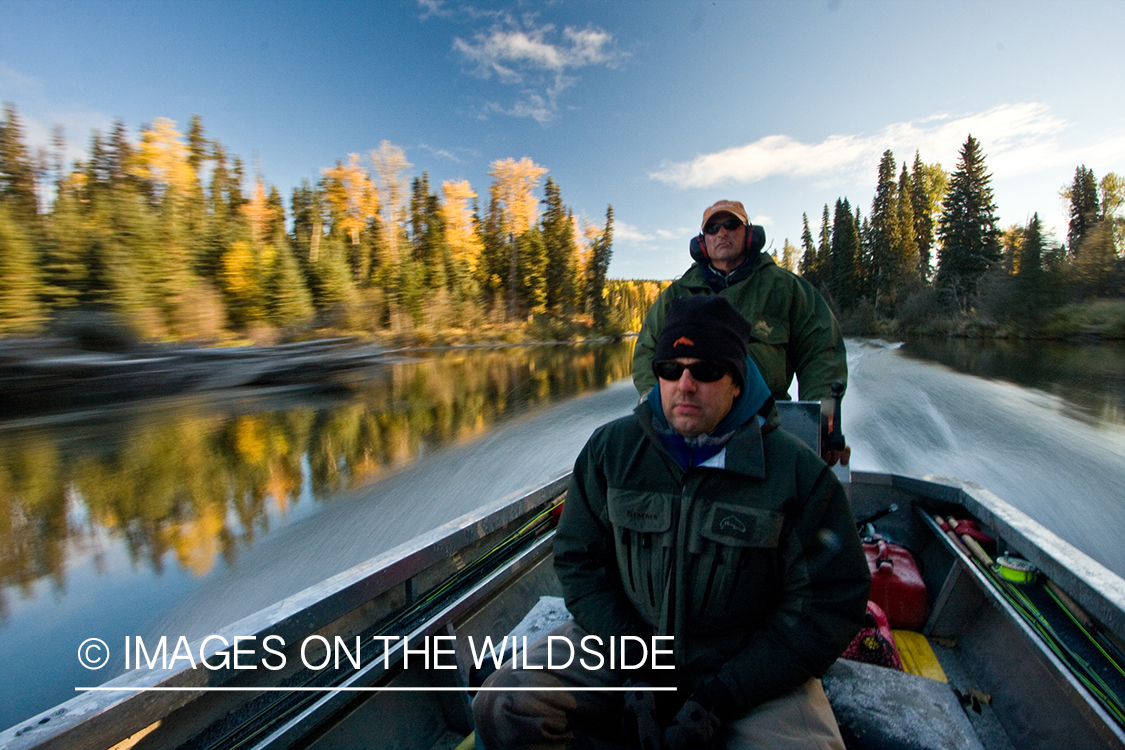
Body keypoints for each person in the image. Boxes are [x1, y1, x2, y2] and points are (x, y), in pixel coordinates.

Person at [472, 296, 870, 750]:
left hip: (744, 666)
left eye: (705, 371)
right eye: (670, 368)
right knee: (504, 704)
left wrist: (722, 695)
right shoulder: (611, 452)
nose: (685, 385)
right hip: (625, 646)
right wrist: (635, 664)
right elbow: (580, 563)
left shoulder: (797, 475)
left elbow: (826, 604)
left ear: (737, 382)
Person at [632, 199, 851, 466]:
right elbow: (646, 351)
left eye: (731, 224)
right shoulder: (675, 296)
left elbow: (821, 349)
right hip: (690, 429)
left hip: (767, 428)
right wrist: (661, 406)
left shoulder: (786, 289)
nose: (722, 233)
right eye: (712, 228)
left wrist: (821, 419)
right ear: (702, 242)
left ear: (749, 234)